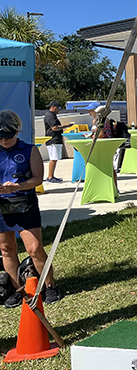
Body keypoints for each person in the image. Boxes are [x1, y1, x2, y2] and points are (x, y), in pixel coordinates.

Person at [0, 110, 62, 308]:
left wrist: (18, 186)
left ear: (17, 132)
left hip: (24, 203)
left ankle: (49, 285)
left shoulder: (29, 150)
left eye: (9, 135)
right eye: (0, 136)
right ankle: (18, 290)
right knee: (6, 249)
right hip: (1, 206)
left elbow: (37, 179)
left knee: (34, 249)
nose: (4, 139)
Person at [43, 101, 69, 183]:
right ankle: (50, 177)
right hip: (53, 140)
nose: (59, 110)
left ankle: (52, 176)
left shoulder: (52, 115)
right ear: (53, 107)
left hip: (55, 139)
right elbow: (54, 127)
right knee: (53, 158)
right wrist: (66, 126)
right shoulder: (50, 116)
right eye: (59, 108)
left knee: (55, 158)